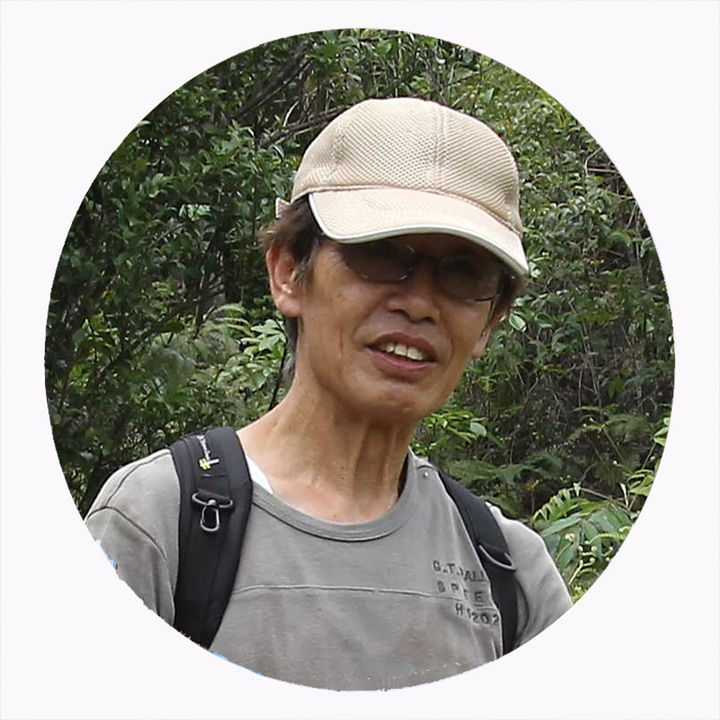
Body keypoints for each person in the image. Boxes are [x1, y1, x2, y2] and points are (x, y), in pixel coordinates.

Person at [85, 97, 572, 691]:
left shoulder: (511, 574)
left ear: (490, 321)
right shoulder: (159, 524)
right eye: (380, 254)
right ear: (289, 272)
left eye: (464, 273)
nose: (420, 303)